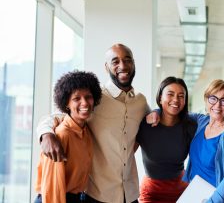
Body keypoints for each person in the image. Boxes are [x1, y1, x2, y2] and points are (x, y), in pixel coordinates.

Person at [37, 44, 150, 203]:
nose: (122, 65)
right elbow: (58, 117)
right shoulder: (93, 98)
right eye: (115, 61)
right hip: (97, 194)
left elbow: (153, 119)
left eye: (127, 60)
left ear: (133, 63)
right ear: (106, 67)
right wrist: (46, 134)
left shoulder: (140, 101)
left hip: (130, 194)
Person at [34, 71, 102, 203]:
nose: (85, 103)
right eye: (77, 99)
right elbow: (52, 186)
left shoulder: (86, 130)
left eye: (88, 97)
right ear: (66, 104)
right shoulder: (61, 135)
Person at [135, 76, 197, 202]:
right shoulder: (145, 124)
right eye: (170, 94)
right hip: (151, 191)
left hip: (180, 189)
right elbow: (127, 153)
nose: (176, 100)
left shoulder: (190, 126)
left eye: (181, 96)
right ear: (160, 97)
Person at [183, 79, 224, 203]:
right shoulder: (202, 121)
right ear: (206, 100)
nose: (217, 105)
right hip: (195, 194)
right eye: (213, 98)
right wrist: (156, 112)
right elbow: (175, 112)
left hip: (218, 199)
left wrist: (212, 201)